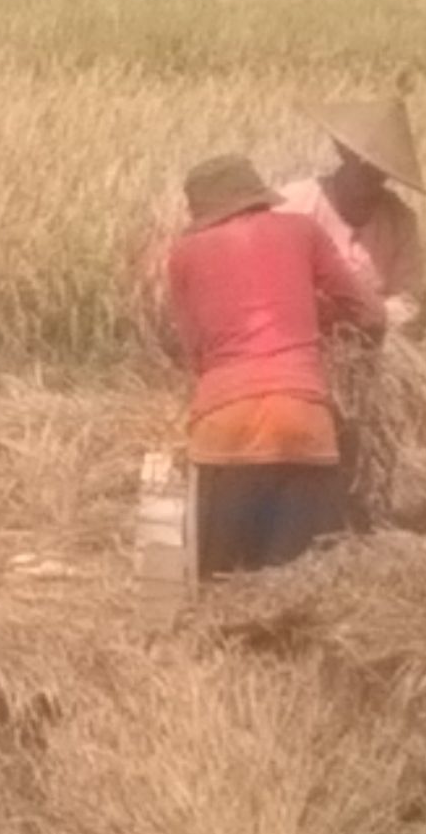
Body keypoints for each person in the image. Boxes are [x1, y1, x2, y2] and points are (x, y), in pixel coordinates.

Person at [164, 154, 386, 578]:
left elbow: (195, 354)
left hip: (224, 422)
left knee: (221, 581)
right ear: (256, 194)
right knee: (298, 580)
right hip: (301, 417)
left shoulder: (183, 255)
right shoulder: (302, 231)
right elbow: (370, 315)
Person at [278, 97, 426, 333]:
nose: (368, 177)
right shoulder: (296, 202)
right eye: (360, 167)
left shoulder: (400, 221)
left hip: (370, 334)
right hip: (298, 326)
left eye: (377, 171)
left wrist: (372, 316)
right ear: (346, 156)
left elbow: (407, 299)